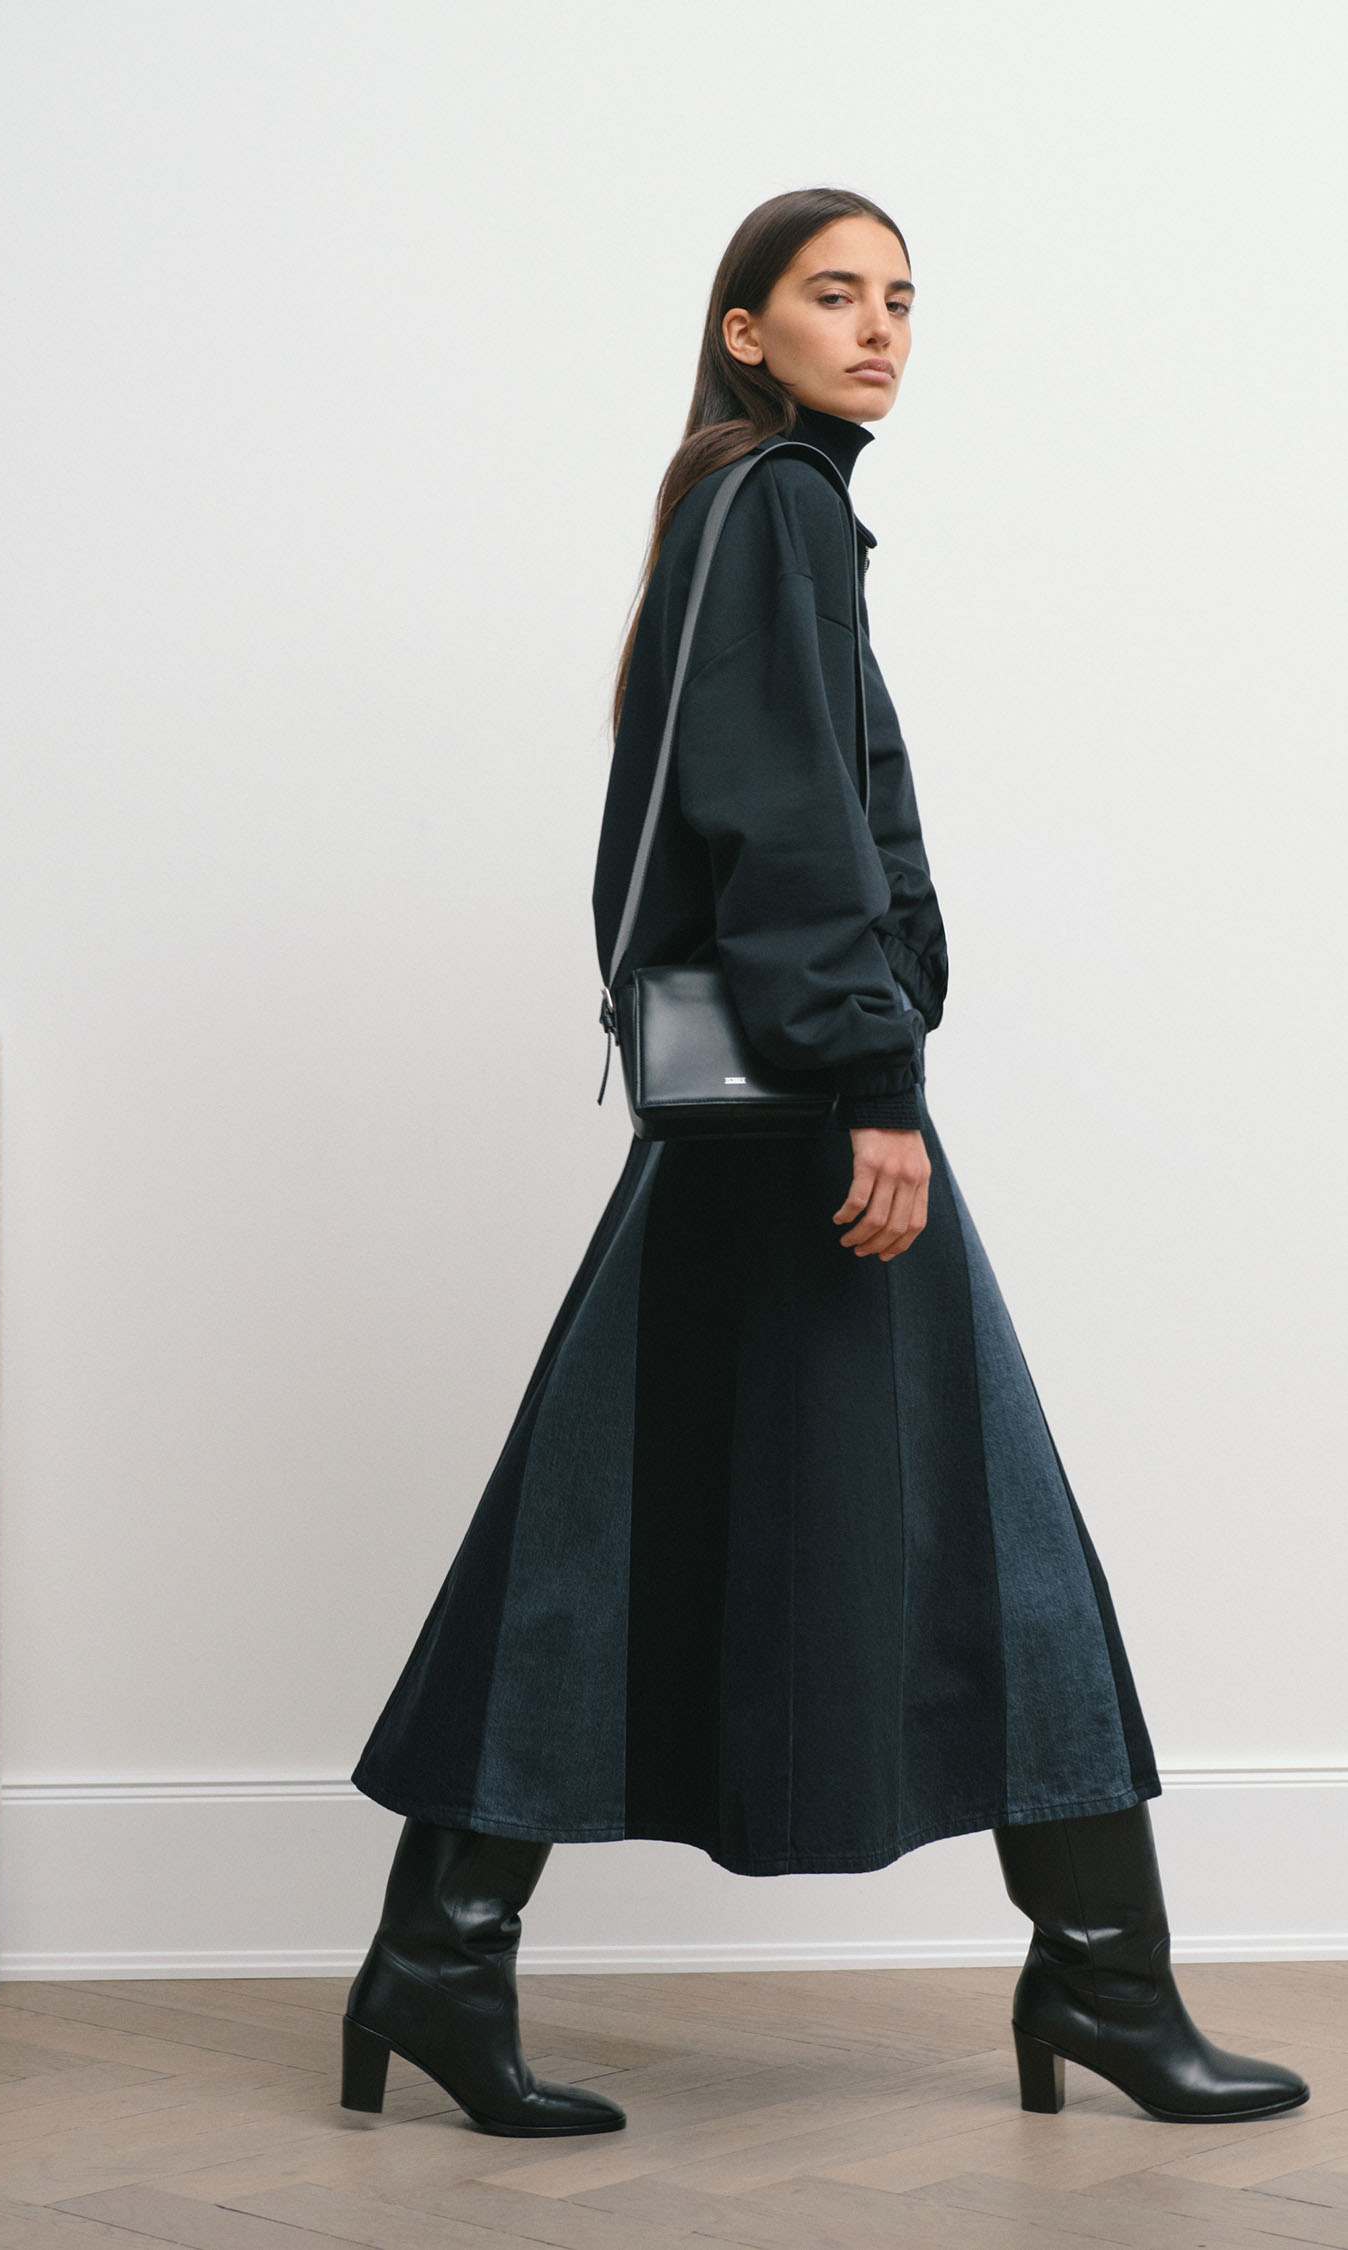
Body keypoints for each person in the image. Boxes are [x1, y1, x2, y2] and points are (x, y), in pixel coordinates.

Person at [341, 187, 1308, 2137]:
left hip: (763, 1109)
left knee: (605, 1519)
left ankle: (442, 1957)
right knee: (981, 1528)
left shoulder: (750, 509)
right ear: (744, 328)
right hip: (807, 1111)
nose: (878, 330)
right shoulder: (773, 501)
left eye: (901, 301)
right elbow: (780, 810)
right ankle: (1103, 1982)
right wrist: (875, 1080)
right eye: (834, 295)